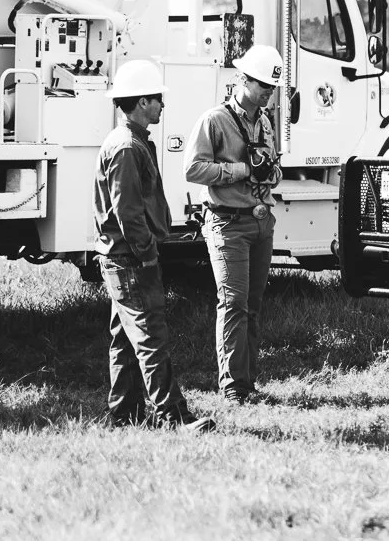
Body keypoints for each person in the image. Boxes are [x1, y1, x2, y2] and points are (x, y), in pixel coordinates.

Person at [93, 60, 213, 433]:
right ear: (143, 102)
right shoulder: (128, 147)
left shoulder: (128, 142)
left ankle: (125, 414)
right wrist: (147, 255)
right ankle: (174, 416)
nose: (163, 105)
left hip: (120, 255)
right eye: (158, 99)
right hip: (130, 257)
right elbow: (128, 211)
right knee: (150, 336)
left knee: (126, 339)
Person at [186, 44, 285, 406]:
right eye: (261, 85)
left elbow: (274, 170)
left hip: (261, 222)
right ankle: (232, 386)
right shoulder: (214, 120)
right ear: (240, 79)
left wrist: (269, 171)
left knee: (252, 306)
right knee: (233, 303)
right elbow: (193, 169)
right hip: (228, 223)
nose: (266, 93)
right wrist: (242, 170)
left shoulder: (265, 122)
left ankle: (247, 381)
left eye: (271, 88)